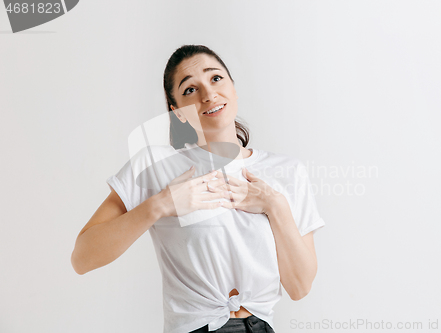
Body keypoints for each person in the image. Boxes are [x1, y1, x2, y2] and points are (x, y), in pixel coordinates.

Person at [71, 44, 325, 333]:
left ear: (233, 87)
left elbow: (300, 287)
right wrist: (160, 205)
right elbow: (82, 258)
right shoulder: (156, 165)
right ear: (177, 111)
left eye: (215, 78)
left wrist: (274, 206)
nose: (208, 94)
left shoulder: (287, 171)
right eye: (190, 89)